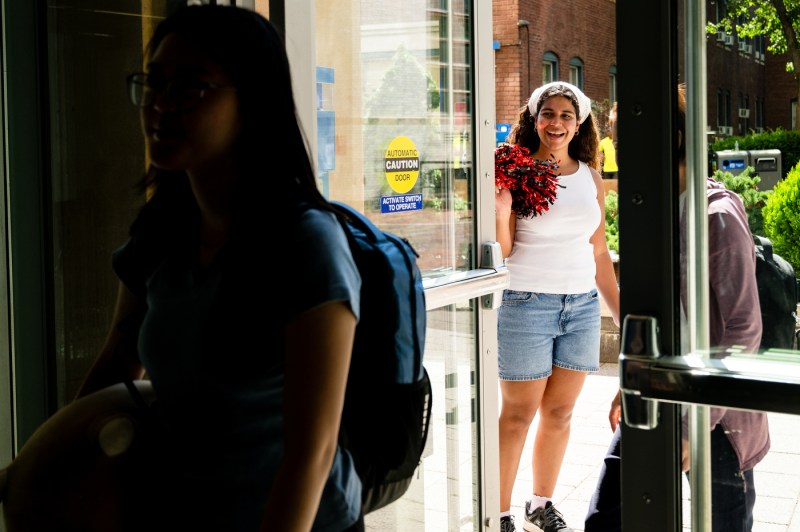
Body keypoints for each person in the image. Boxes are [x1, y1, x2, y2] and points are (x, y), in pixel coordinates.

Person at [75, 5, 364, 531]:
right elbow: (118, 362)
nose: (160, 105)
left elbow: (311, 455)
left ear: (253, 102)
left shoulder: (305, 244)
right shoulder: (161, 230)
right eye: (154, 81)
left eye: (190, 87)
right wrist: (53, 469)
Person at [584, 83, 770, 532]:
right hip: (654, 392)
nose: (617, 149)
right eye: (615, 136)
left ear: (677, 136)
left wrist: (695, 424)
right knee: (605, 518)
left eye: (627, 136)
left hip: (717, 417)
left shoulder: (715, 215)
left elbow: (743, 329)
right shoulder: (652, 207)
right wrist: (628, 384)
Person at [495, 81, 621, 532]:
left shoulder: (590, 174)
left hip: (583, 305)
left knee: (560, 414)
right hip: (527, 303)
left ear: (580, 121)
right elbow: (505, 249)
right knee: (516, 416)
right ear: (534, 118)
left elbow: (599, 251)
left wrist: (621, 317)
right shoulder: (517, 171)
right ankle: (501, 512)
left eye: (567, 115)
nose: (557, 123)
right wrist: (500, 205)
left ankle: (539, 504)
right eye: (548, 113)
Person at [598, 103, 618, 180]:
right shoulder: (603, 142)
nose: (611, 130)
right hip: (607, 169)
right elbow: (599, 154)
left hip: (616, 169)